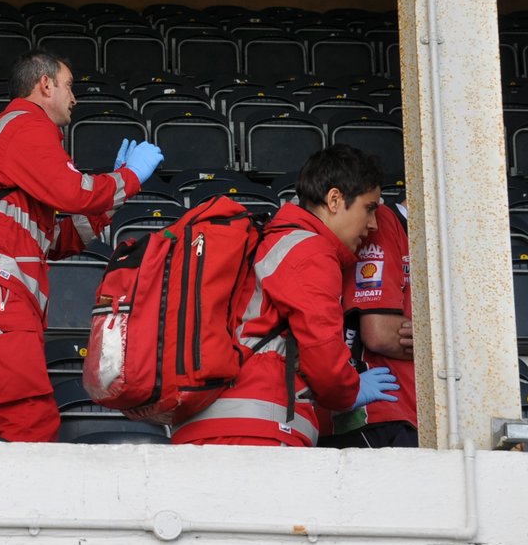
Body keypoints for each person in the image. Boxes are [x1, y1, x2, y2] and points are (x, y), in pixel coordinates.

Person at [0, 49, 164, 441]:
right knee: (31, 423)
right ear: (45, 85)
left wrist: (116, 195)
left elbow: (57, 240)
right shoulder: (25, 124)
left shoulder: (10, 140)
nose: (75, 98)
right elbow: (75, 193)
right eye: (69, 87)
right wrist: (129, 177)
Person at [170, 144, 398, 447]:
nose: (373, 224)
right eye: (369, 208)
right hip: (256, 429)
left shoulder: (273, 239)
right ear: (334, 200)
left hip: (207, 425)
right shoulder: (310, 251)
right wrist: (349, 390)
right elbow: (324, 356)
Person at [326, 196, 418, 447]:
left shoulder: (443, 241)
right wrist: (441, 344)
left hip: (409, 411)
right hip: (380, 412)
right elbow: (380, 333)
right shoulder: (385, 221)